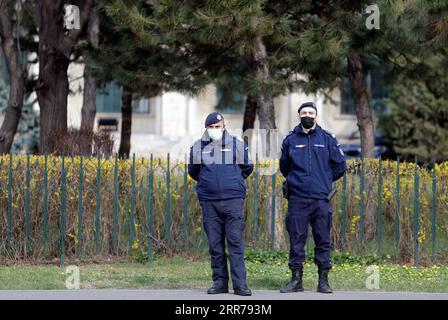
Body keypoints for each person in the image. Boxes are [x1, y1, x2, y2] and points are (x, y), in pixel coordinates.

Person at [279, 101, 347, 294]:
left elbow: (340, 165)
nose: (307, 115)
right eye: (304, 113)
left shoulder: (327, 138)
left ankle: (323, 281)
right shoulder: (290, 140)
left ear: (316, 116)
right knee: (296, 239)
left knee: (323, 239)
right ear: (299, 116)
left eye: (311, 112)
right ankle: (296, 281)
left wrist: (324, 180)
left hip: (321, 199)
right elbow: (285, 166)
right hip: (297, 199)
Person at [188, 112, 254, 296]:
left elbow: (247, 167)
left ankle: (240, 285)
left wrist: (232, 182)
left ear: (224, 127)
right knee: (215, 245)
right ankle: (220, 283)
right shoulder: (197, 147)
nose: (215, 130)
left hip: (233, 201)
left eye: (218, 127)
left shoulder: (237, 145)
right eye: (211, 127)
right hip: (209, 202)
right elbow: (193, 172)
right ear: (206, 128)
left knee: (235, 243)